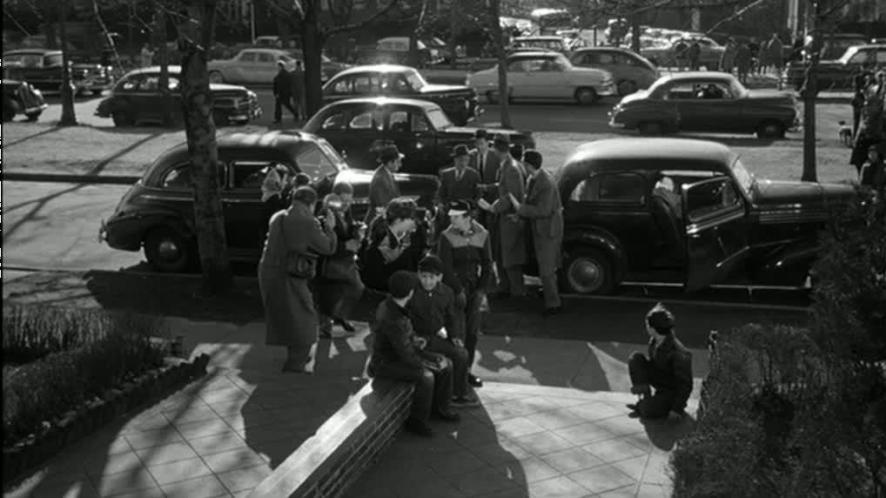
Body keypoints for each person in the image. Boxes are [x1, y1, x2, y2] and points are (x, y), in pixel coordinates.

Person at [368, 270, 460, 437]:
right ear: (410, 292)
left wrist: (416, 340)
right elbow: (406, 354)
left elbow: (406, 341)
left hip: (400, 353)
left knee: (446, 363)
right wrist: (428, 364)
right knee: (426, 376)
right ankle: (417, 421)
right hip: (386, 363)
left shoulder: (394, 305)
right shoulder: (393, 317)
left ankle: (441, 408)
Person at [259, 186, 337, 373]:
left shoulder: (278, 216)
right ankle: (295, 364)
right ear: (312, 203)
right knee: (304, 317)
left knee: (286, 317)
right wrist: (330, 228)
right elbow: (327, 248)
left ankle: (295, 356)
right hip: (290, 275)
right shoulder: (306, 221)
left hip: (268, 272)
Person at [408, 255, 479, 406]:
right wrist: (413, 337)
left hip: (434, 337)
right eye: (424, 276)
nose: (427, 281)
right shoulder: (411, 292)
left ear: (439, 277)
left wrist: (454, 336)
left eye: (432, 277)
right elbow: (403, 319)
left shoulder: (447, 293)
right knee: (443, 362)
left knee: (461, 353)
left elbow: (451, 317)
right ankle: (444, 398)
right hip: (416, 339)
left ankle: (458, 395)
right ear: (418, 275)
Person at [438, 200, 493, 388]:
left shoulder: (482, 234)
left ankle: (466, 371)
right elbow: (444, 267)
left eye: (456, 216)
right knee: (456, 330)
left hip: (473, 287)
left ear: (467, 218)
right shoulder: (446, 236)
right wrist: (458, 289)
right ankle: (453, 373)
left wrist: (481, 290)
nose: (451, 218)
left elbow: (487, 264)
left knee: (472, 332)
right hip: (454, 288)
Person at [507, 150, 563, 316]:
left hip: (547, 231)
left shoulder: (545, 183)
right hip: (540, 228)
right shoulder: (534, 178)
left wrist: (520, 209)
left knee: (546, 268)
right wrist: (520, 215)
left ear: (529, 165)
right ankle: (548, 293)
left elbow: (543, 210)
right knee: (545, 266)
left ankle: (553, 304)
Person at [478, 134, 526, 298]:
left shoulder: (511, 168)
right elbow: (503, 186)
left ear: (495, 148)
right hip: (504, 218)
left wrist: (493, 208)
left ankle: (517, 292)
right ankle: (505, 286)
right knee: (501, 253)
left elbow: (511, 196)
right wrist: (489, 187)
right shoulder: (508, 165)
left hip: (509, 219)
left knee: (510, 256)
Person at [315, 182, 365, 337]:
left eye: (350, 201)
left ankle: (339, 316)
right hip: (332, 261)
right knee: (331, 294)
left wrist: (357, 231)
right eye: (344, 201)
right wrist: (346, 246)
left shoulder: (346, 212)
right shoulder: (326, 213)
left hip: (346, 260)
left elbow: (347, 229)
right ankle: (327, 324)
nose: (346, 205)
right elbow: (323, 243)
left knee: (355, 288)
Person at [627, 303, 693, 420]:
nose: (646, 327)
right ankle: (645, 397)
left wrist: (677, 409)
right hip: (659, 378)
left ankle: (645, 406)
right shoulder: (654, 341)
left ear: (653, 328)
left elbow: (685, 385)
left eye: (647, 325)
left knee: (648, 410)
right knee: (635, 358)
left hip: (671, 391)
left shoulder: (678, 353)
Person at [360, 198, 422, 291]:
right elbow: (376, 280)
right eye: (411, 218)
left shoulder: (398, 238)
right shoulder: (383, 242)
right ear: (398, 220)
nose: (414, 222)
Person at [365, 144, 403, 225]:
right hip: (378, 224)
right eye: (397, 161)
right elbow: (383, 205)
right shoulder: (380, 179)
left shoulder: (388, 174)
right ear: (390, 163)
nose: (400, 165)